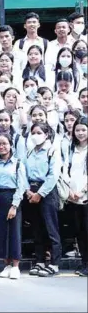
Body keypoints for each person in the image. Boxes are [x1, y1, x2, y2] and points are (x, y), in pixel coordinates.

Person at [0, 133, 28, 280]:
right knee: (1, 233)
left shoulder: (17, 163)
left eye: (4, 143)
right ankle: (7, 264)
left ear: (11, 145)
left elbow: (21, 186)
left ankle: (16, 265)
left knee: (14, 233)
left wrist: (14, 206)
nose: (1, 146)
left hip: (12, 199)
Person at [25, 122, 62, 277]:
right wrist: (28, 190)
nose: (36, 135)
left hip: (46, 192)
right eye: (33, 132)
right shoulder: (30, 152)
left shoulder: (52, 150)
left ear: (46, 134)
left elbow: (53, 175)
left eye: (39, 132)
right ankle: (40, 260)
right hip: (31, 191)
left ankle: (54, 263)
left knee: (51, 228)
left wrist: (40, 194)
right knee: (37, 229)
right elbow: (24, 172)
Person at [64, 117, 88, 276]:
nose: (80, 133)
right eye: (77, 130)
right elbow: (65, 170)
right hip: (73, 197)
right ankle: (84, 263)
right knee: (79, 233)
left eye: (83, 130)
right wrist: (69, 192)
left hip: (85, 197)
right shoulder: (70, 148)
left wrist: (84, 191)